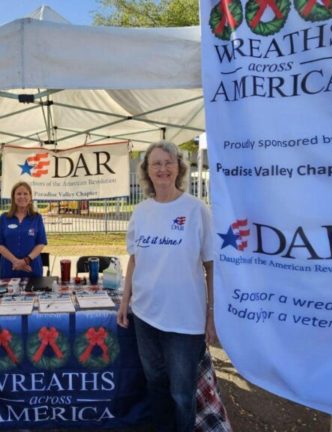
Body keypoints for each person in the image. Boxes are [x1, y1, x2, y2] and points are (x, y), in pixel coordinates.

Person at [117, 140, 216, 432]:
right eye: (155, 163)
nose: (162, 168)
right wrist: (125, 302)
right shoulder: (141, 212)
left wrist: (212, 314)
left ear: (179, 168)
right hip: (145, 315)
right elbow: (134, 261)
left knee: (182, 394)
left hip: (185, 322)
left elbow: (211, 266)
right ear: (147, 171)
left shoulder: (197, 210)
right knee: (156, 386)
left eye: (168, 162)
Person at [0, 181, 47, 278]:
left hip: (32, 268)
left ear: (30, 197)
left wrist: (25, 261)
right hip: (9, 269)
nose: (22, 196)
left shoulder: (37, 218)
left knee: (34, 293)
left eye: (25, 194)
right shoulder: (4, 218)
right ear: (13, 197)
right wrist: (15, 262)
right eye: (18, 194)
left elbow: (41, 243)